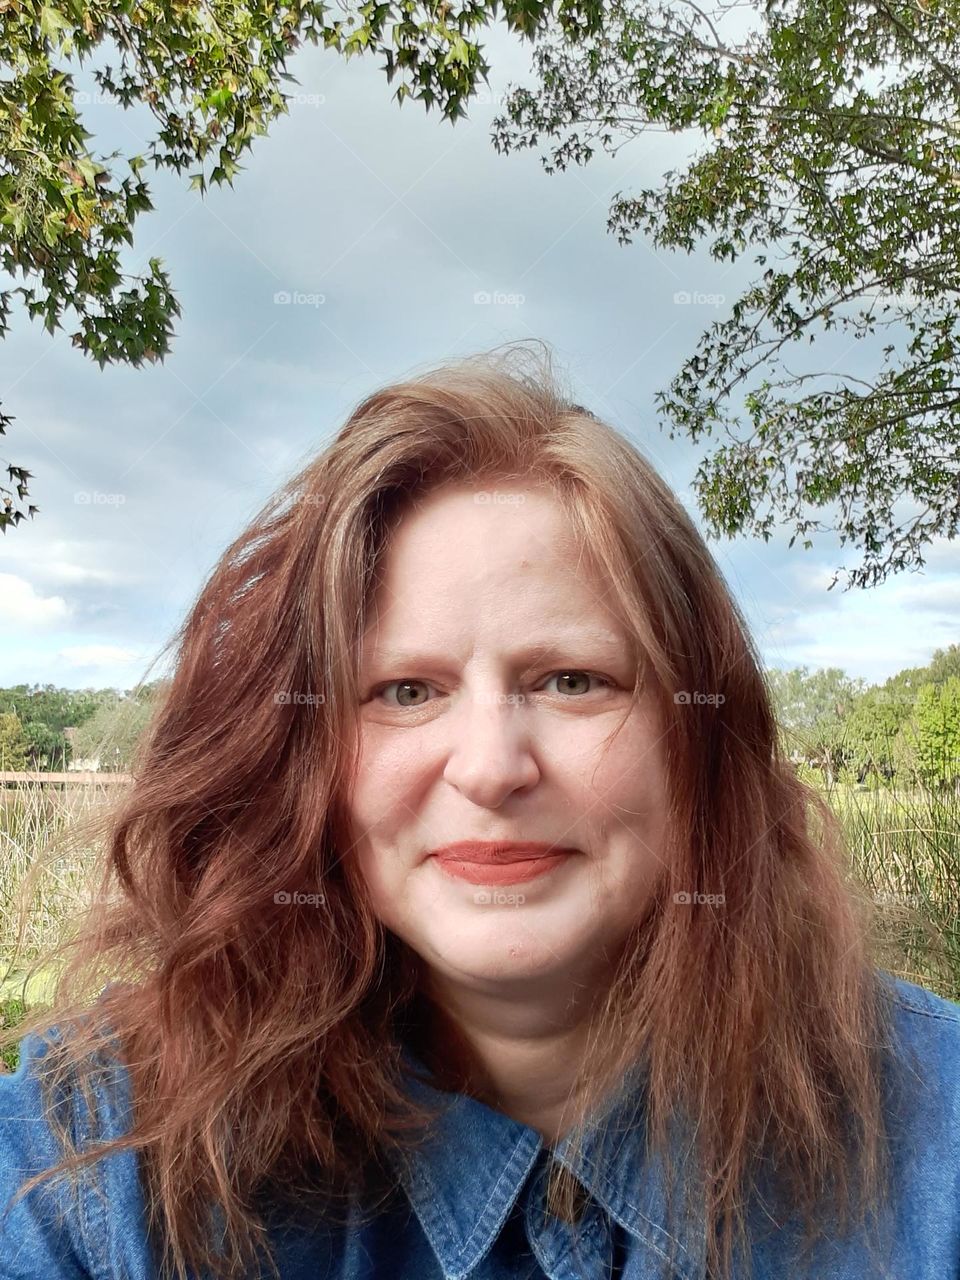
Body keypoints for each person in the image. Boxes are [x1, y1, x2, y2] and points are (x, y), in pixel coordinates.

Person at [1, 343, 959, 1280]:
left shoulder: (937, 1139)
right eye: (406, 691)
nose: (492, 769)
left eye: (573, 680)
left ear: (700, 741)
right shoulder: (90, 1169)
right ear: (300, 760)